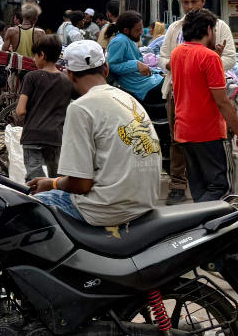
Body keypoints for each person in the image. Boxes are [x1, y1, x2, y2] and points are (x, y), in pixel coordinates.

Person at [29, 40, 161, 227]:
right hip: (144, 204)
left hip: (106, 210)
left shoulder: (80, 108)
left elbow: (81, 184)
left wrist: (52, 183)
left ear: (70, 74)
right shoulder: (128, 99)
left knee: (29, 207)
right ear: (106, 69)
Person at [159, 0, 237, 204]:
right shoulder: (175, 28)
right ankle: (178, 185)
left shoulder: (219, 27)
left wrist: (206, 61)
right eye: (186, 2)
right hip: (178, 91)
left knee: (208, 144)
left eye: (194, 1)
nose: (190, 6)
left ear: (203, 2)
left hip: (209, 92)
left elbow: (230, 58)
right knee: (179, 141)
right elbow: (163, 58)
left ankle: (204, 201)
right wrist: (179, 64)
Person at [171, 9, 238, 203]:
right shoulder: (209, 58)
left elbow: (194, 82)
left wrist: (215, 56)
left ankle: (198, 219)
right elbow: (222, 102)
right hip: (208, 132)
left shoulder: (177, 53)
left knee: (199, 188)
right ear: (209, 30)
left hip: (184, 130)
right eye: (215, 30)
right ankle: (205, 221)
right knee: (221, 187)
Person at [14, 35, 77, 182]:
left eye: (35, 56)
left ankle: (39, 197)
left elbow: (20, 110)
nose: (33, 60)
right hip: (56, 137)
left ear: (42, 54)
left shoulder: (31, 77)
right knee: (57, 180)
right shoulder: (67, 80)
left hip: (32, 136)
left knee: (35, 181)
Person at [106, 10, 163, 105]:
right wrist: (135, 65)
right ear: (126, 30)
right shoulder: (119, 41)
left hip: (150, 81)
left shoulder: (129, 40)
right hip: (143, 87)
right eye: (138, 30)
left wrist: (158, 72)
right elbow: (112, 66)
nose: (141, 32)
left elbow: (140, 64)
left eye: (141, 29)